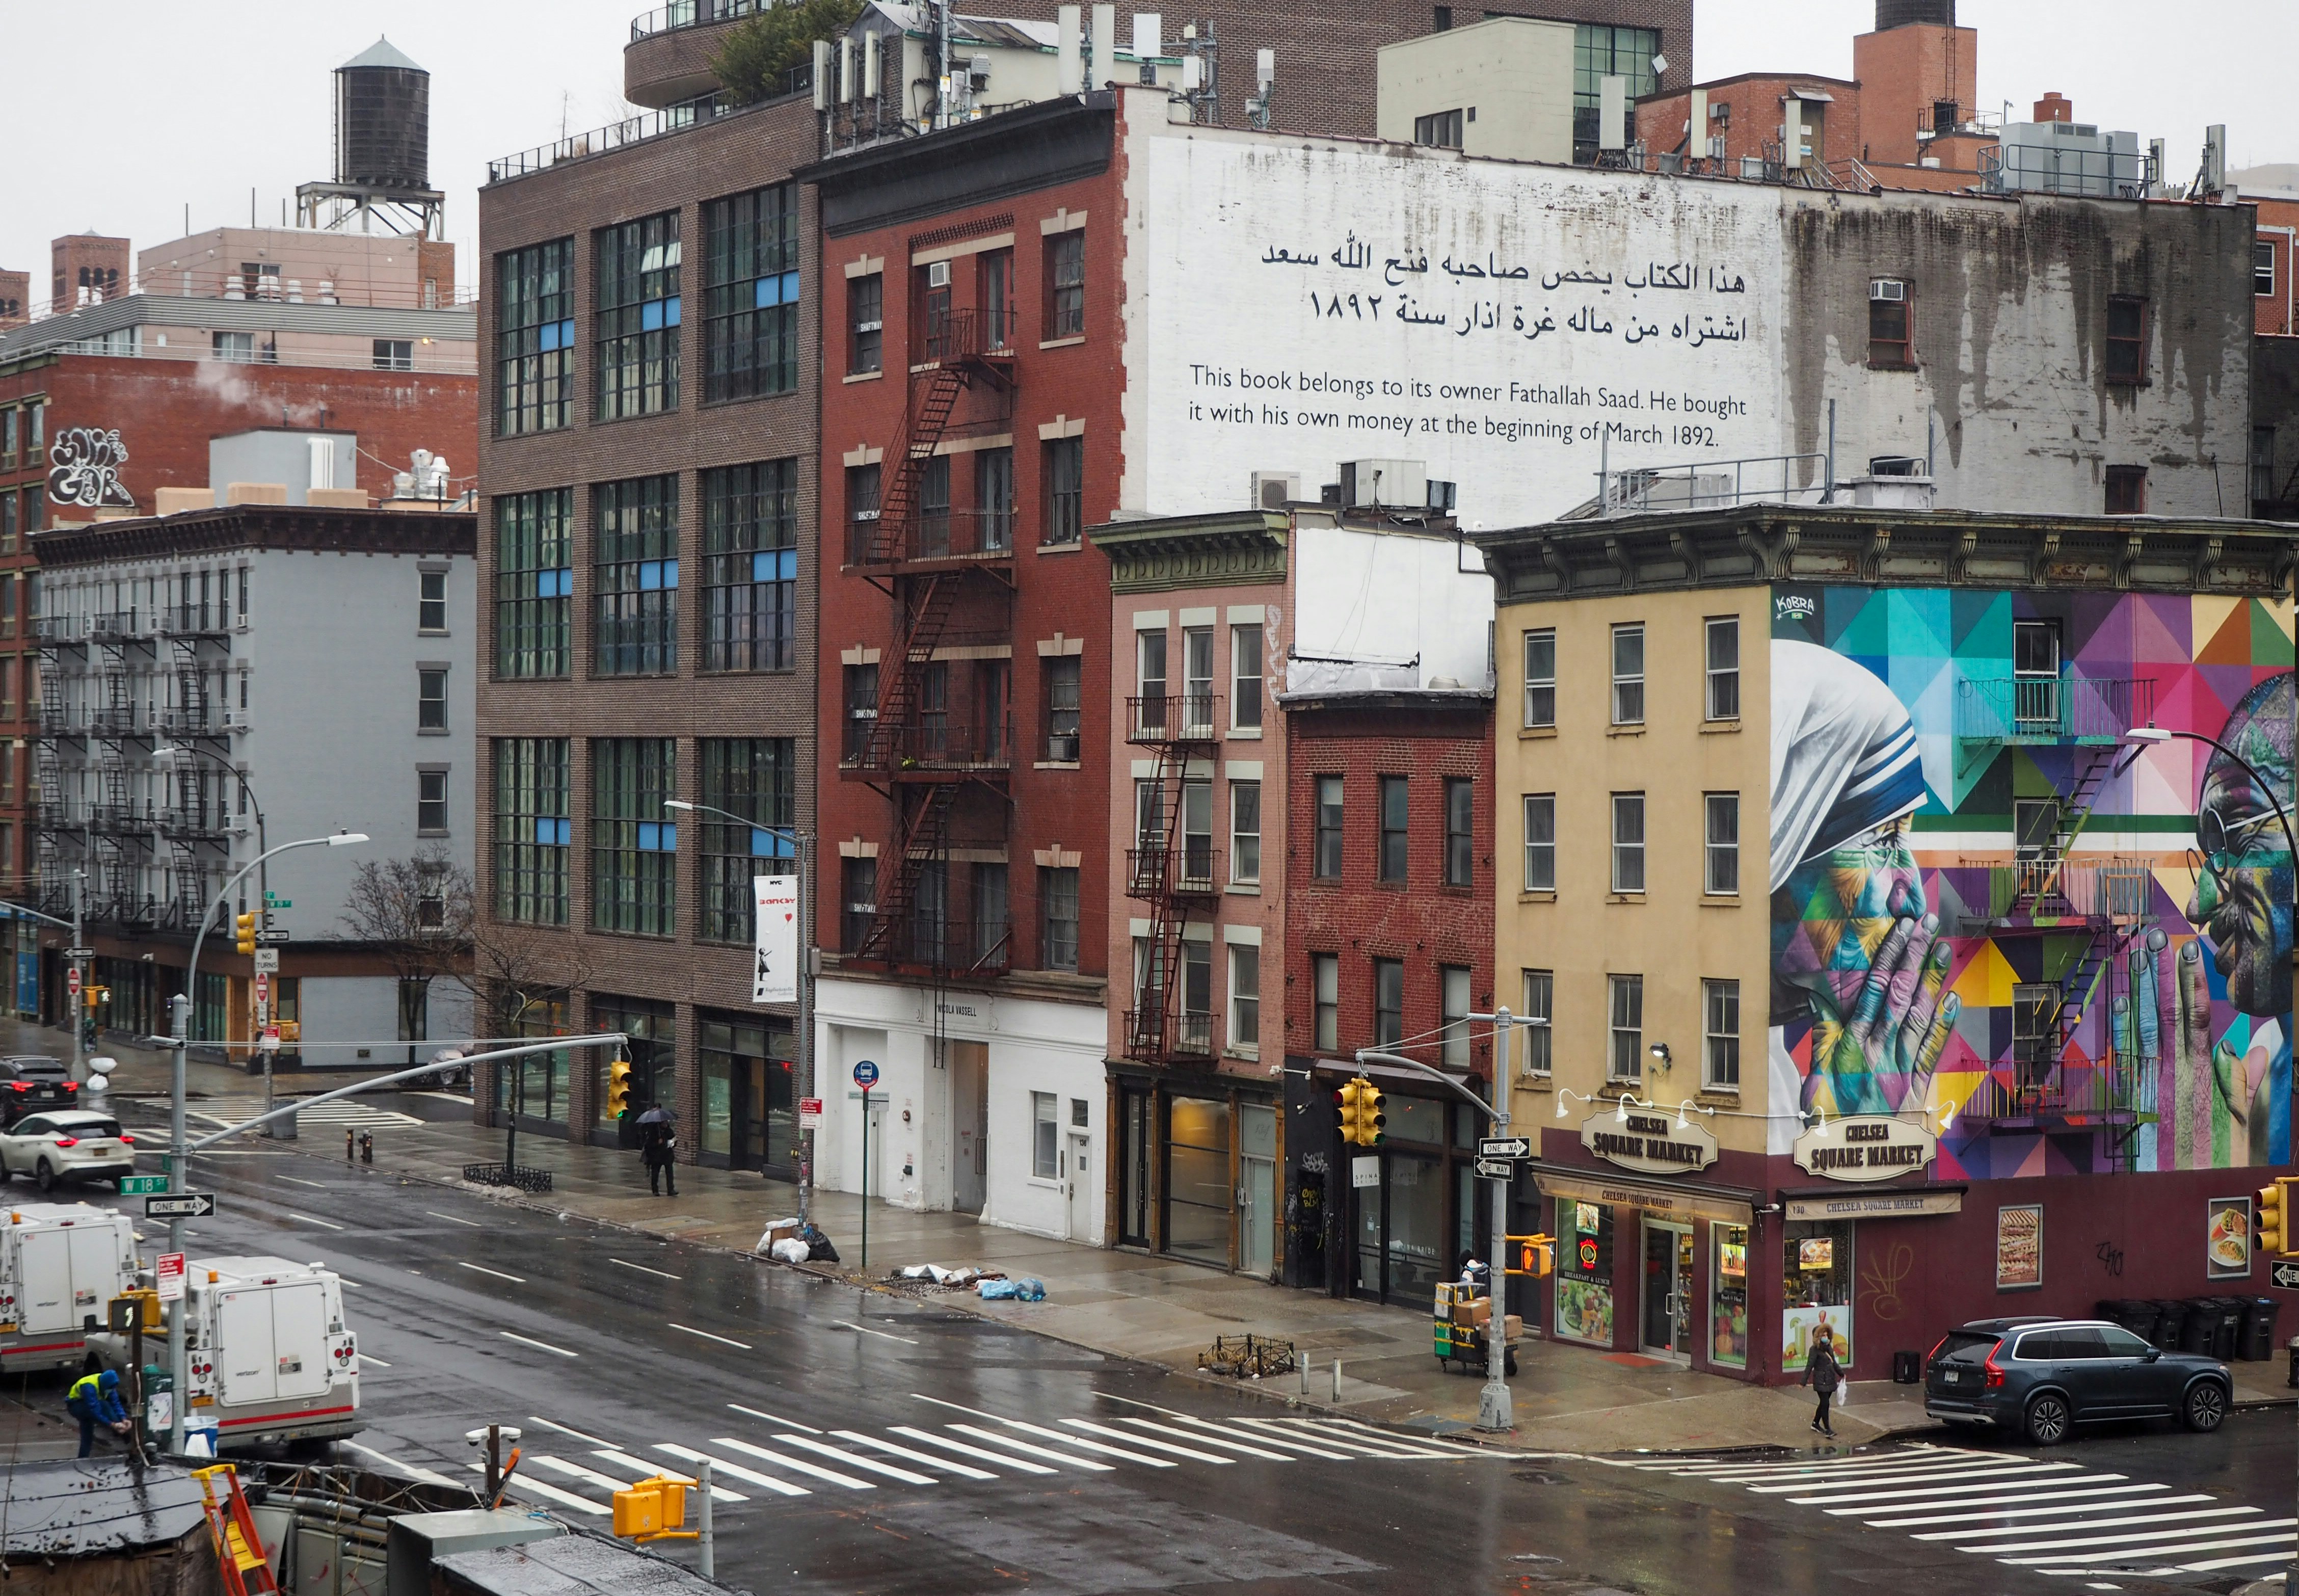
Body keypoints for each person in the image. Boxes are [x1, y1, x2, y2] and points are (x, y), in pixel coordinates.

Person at [67, 1368, 131, 1458]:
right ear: (105, 1385)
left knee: (87, 1432)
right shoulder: (89, 1386)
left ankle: (82, 1458)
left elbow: (116, 1403)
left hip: (86, 1408)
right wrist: (112, 1424)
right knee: (103, 1405)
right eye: (111, 1388)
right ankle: (122, 1432)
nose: (112, 1390)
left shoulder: (109, 1385)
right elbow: (95, 1410)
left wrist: (123, 1418)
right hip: (75, 1406)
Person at [1802, 1328, 1841, 1439]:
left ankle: (1815, 1423)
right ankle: (1828, 1429)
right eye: (1823, 1335)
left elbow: (1834, 1362)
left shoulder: (1829, 1348)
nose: (1826, 1337)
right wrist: (1803, 1382)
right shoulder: (1814, 1350)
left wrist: (1841, 1374)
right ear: (1818, 1337)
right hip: (1821, 1381)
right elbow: (1809, 1366)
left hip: (1830, 1379)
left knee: (1824, 1403)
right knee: (1826, 1404)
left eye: (1826, 1335)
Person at [643, 1121, 677, 1197]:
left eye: (666, 1123)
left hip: (667, 1155)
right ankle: (655, 1190)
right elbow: (648, 1145)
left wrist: (673, 1143)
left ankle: (671, 1189)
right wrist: (657, 1143)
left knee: (670, 1173)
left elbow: (673, 1140)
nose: (666, 1124)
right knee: (655, 1174)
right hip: (656, 1157)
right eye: (664, 1123)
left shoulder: (669, 1131)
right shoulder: (654, 1132)